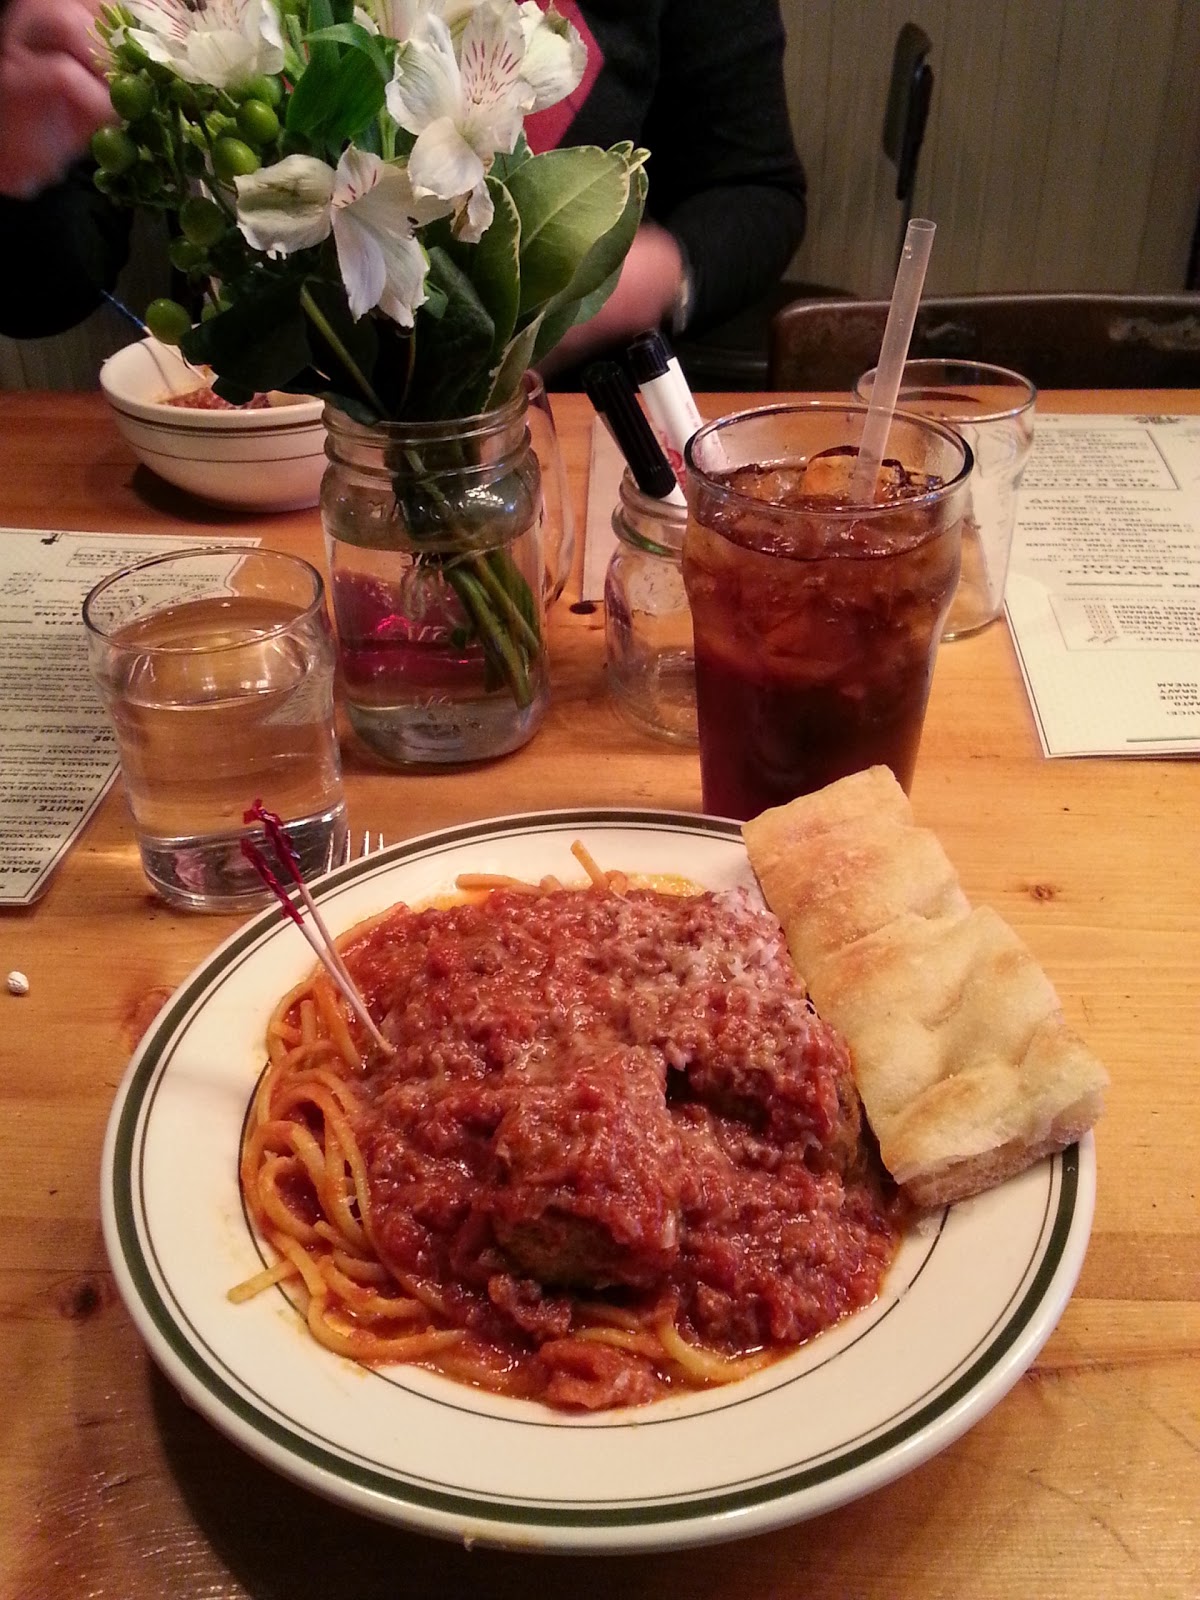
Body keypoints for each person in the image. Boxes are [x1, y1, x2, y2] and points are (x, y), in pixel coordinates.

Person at [0, 0, 806, 363]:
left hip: (565, 424)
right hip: (251, 442)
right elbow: (45, 293)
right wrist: (13, 163)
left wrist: (633, 279)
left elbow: (757, 191)